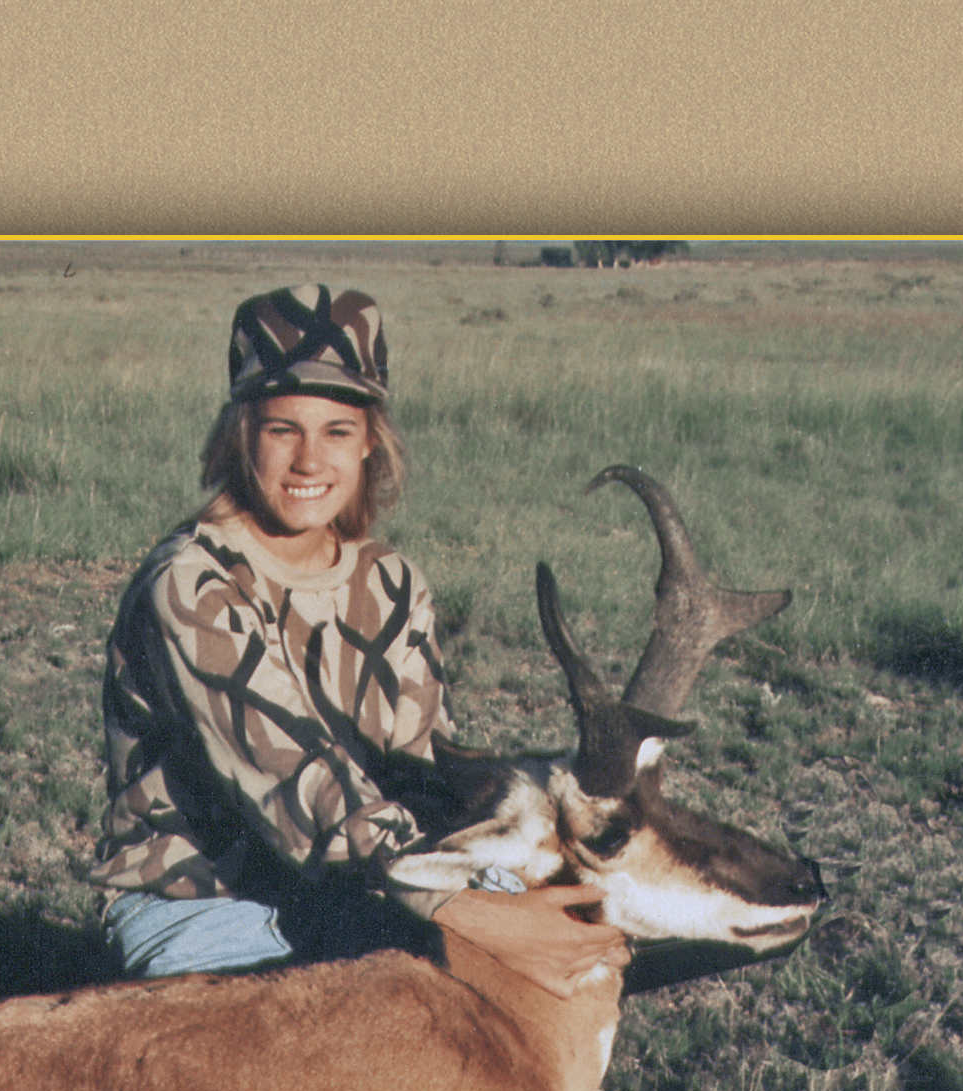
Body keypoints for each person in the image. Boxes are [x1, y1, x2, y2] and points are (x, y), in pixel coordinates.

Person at [90, 284, 626, 999]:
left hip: (350, 891)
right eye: (283, 430)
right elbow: (298, 780)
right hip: (199, 904)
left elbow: (422, 768)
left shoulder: (393, 584)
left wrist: (542, 821)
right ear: (238, 435)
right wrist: (466, 912)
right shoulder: (191, 582)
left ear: (371, 440)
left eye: (337, 431)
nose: (310, 461)